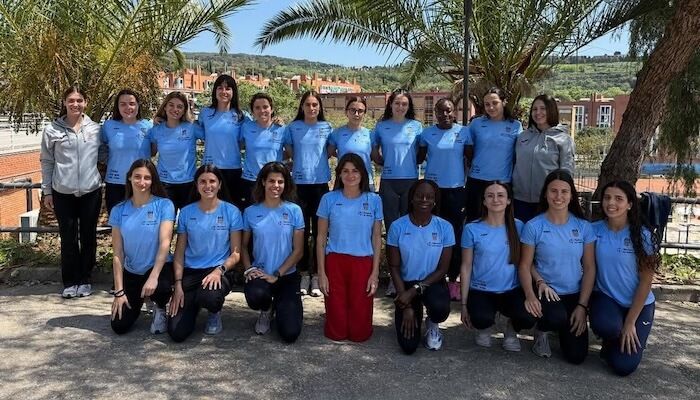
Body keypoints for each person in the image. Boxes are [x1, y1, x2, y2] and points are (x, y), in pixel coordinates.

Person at [519, 169, 596, 363]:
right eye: (553, 191)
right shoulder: (534, 226)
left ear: (571, 195)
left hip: (573, 294)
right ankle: (542, 331)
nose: (558, 196)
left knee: (576, 357)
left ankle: (562, 327)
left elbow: (589, 268)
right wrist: (532, 291)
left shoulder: (583, 227)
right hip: (546, 291)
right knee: (556, 317)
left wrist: (582, 306)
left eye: (564, 191)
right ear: (545, 194)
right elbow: (525, 264)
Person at [590, 181, 660, 376]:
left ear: (629, 204)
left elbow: (646, 282)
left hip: (638, 305)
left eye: (618, 199)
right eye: (607, 198)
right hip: (608, 298)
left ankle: (620, 338)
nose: (611, 203)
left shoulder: (643, 236)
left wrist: (630, 322)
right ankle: (611, 336)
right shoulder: (593, 230)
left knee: (623, 367)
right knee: (606, 325)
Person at [40, 85, 103, 299]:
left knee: (88, 236)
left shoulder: (96, 129)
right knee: (68, 238)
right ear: (64, 103)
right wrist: (47, 191)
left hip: (91, 191)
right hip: (62, 192)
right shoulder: (52, 130)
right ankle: (70, 281)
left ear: (85, 102)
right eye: (71, 100)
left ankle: (85, 279)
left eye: (79, 100)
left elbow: (105, 154)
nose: (75, 104)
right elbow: (47, 161)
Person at [168, 165, 242, 342]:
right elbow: (179, 253)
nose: (208, 186)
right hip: (191, 272)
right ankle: (193, 304)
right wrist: (178, 285)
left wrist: (219, 270)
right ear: (196, 185)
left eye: (212, 181)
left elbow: (236, 254)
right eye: (203, 181)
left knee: (209, 297)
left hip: (218, 271)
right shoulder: (186, 212)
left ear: (220, 184)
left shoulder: (232, 211)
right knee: (177, 333)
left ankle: (213, 312)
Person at [460, 181, 535, 351]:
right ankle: (484, 327)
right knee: (481, 318)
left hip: (511, 290)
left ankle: (511, 329)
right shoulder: (472, 229)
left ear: (508, 200)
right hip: (481, 290)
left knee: (528, 316)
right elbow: (466, 266)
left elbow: (526, 262)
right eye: (490, 196)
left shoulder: (519, 226)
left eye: (500, 195)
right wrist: (464, 305)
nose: (495, 200)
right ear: (484, 201)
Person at [316, 153, 383, 342]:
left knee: (359, 333)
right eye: (345, 171)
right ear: (339, 174)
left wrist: (374, 273)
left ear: (362, 174)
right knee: (336, 332)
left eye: (355, 171)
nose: (350, 175)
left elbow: (377, 238)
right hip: (335, 261)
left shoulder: (374, 200)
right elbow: (321, 238)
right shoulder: (328, 199)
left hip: (363, 262)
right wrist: (322, 273)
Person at [387, 179, 453, 354]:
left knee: (439, 309)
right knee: (408, 347)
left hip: (432, 282)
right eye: (419, 195)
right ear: (411, 198)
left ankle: (432, 323)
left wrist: (414, 290)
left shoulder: (445, 227)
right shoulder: (397, 226)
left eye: (429, 197)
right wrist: (406, 306)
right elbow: (394, 266)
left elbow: (442, 269)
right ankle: (413, 310)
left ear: (435, 200)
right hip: (405, 285)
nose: (424, 200)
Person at [109, 159, 175, 335]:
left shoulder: (164, 205)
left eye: (147, 178)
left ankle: (160, 306)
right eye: (137, 177)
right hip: (133, 271)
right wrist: (119, 292)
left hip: (157, 269)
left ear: (153, 181)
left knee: (161, 288)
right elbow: (118, 253)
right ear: (129, 178)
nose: (142, 182)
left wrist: (153, 277)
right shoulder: (118, 210)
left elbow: (165, 243)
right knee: (119, 326)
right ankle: (141, 300)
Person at [242, 162, 304, 342]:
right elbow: (243, 246)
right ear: (263, 182)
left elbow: (298, 250)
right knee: (257, 296)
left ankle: (283, 305)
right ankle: (266, 309)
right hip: (261, 274)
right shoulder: (250, 212)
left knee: (290, 333)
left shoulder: (294, 210)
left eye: (280, 182)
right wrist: (249, 269)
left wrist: (277, 274)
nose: (276, 186)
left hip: (286, 275)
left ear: (286, 184)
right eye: (271, 181)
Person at [371, 90, 422, 297]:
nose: (401, 107)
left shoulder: (416, 126)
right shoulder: (381, 126)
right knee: (392, 230)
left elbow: (421, 153)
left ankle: (409, 276)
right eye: (397, 103)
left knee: (409, 230)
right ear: (390, 105)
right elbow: (375, 153)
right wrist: (385, 163)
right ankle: (394, 279)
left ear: (409, 106)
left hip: (410, 182)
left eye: (404, 104)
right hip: (389, 182)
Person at [417, 98, 469, 300]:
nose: (445, 114)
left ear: (454, 111)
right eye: (440, 111)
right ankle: (432, 277)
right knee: (432, 234)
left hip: (456, 191)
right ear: (435, 113)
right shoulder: (426, 134)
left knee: (454, 235)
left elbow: (471, 158)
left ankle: (453, 279)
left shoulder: (464, 132)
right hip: (433, 192)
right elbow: (419, 158)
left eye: (448, 110)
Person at [284, 91, 333, 297]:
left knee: (320, 233)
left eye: (315, 105)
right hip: (299, 187)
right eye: (307, 104)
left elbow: (329, 151)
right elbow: (289, 151)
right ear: (302, 107)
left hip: (320, 186)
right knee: (301, 232)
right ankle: (303, 273)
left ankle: (317, 275)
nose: (311, 108)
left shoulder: (327, 127)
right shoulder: (293, 128)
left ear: (319, 107)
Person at [512, 94, 575, 222]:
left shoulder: (563, 139)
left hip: (547, 202)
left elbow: (566, 173)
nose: (538, 113)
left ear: (551, 110)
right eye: (534, 109)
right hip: (519, 200)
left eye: (543, 109)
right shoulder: (522, 137)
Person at [464, 88, 522, 222]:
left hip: (502, 183)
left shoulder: (516, 126)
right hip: (476, 181)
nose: (490, 107)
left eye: (495, 103)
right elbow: (466, 147)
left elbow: (518, 155)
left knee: (501, 223)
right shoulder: (476, 124)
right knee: (474, 221)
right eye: (487, 104)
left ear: (504, 102)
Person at [147, 91, 203, 213]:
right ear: (165, 107)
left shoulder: (192, 128)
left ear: (184, 110)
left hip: (189, 184)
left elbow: (211, 138)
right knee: (165, 221)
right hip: (165, 184)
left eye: (179, 106)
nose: (175, 109)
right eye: (171, 105)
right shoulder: (156, 130)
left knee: (188, 221)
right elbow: (151, 153)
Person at [199, 74, 248, 210]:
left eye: (228, 88)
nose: (224, 91)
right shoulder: (205, 113)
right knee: (210, 208)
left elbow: (256, 130)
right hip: (210, 169)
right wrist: (160, 118)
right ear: (215, 91)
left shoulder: (241, 116)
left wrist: (276, 120)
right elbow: (190, 126)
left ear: (233, 92)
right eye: (220, 88)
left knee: (233, 209)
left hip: (233, 170)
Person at [101, 89, 154, 214]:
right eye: (123, 104)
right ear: (117, 107)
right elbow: (101, 149)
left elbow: (153, 150)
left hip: (142, 183)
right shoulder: (108, 126)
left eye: (131, 103)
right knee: (116, 222)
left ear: (138, 105)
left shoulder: (148, 126)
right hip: (115, 183)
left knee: (140, 221)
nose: (128, 107)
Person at [240, 93, 288, 209]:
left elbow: (289, 152)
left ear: (272, 109)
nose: (262, 111)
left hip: (273, 181)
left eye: (265, 107)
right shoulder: (246, 127)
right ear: (252, 111)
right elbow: (238, 146)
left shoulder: (282, 129)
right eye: (257, 108)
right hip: (251, 181)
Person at [328, 96, 375, 191]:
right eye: (353, 110)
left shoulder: (370, 134)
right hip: (343, 181)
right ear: (346, 112)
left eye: (360, 111)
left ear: (364, 113)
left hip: (366, 181)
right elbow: (329, 153)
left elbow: (375, 156)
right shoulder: (337, 133)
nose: (356, 114)